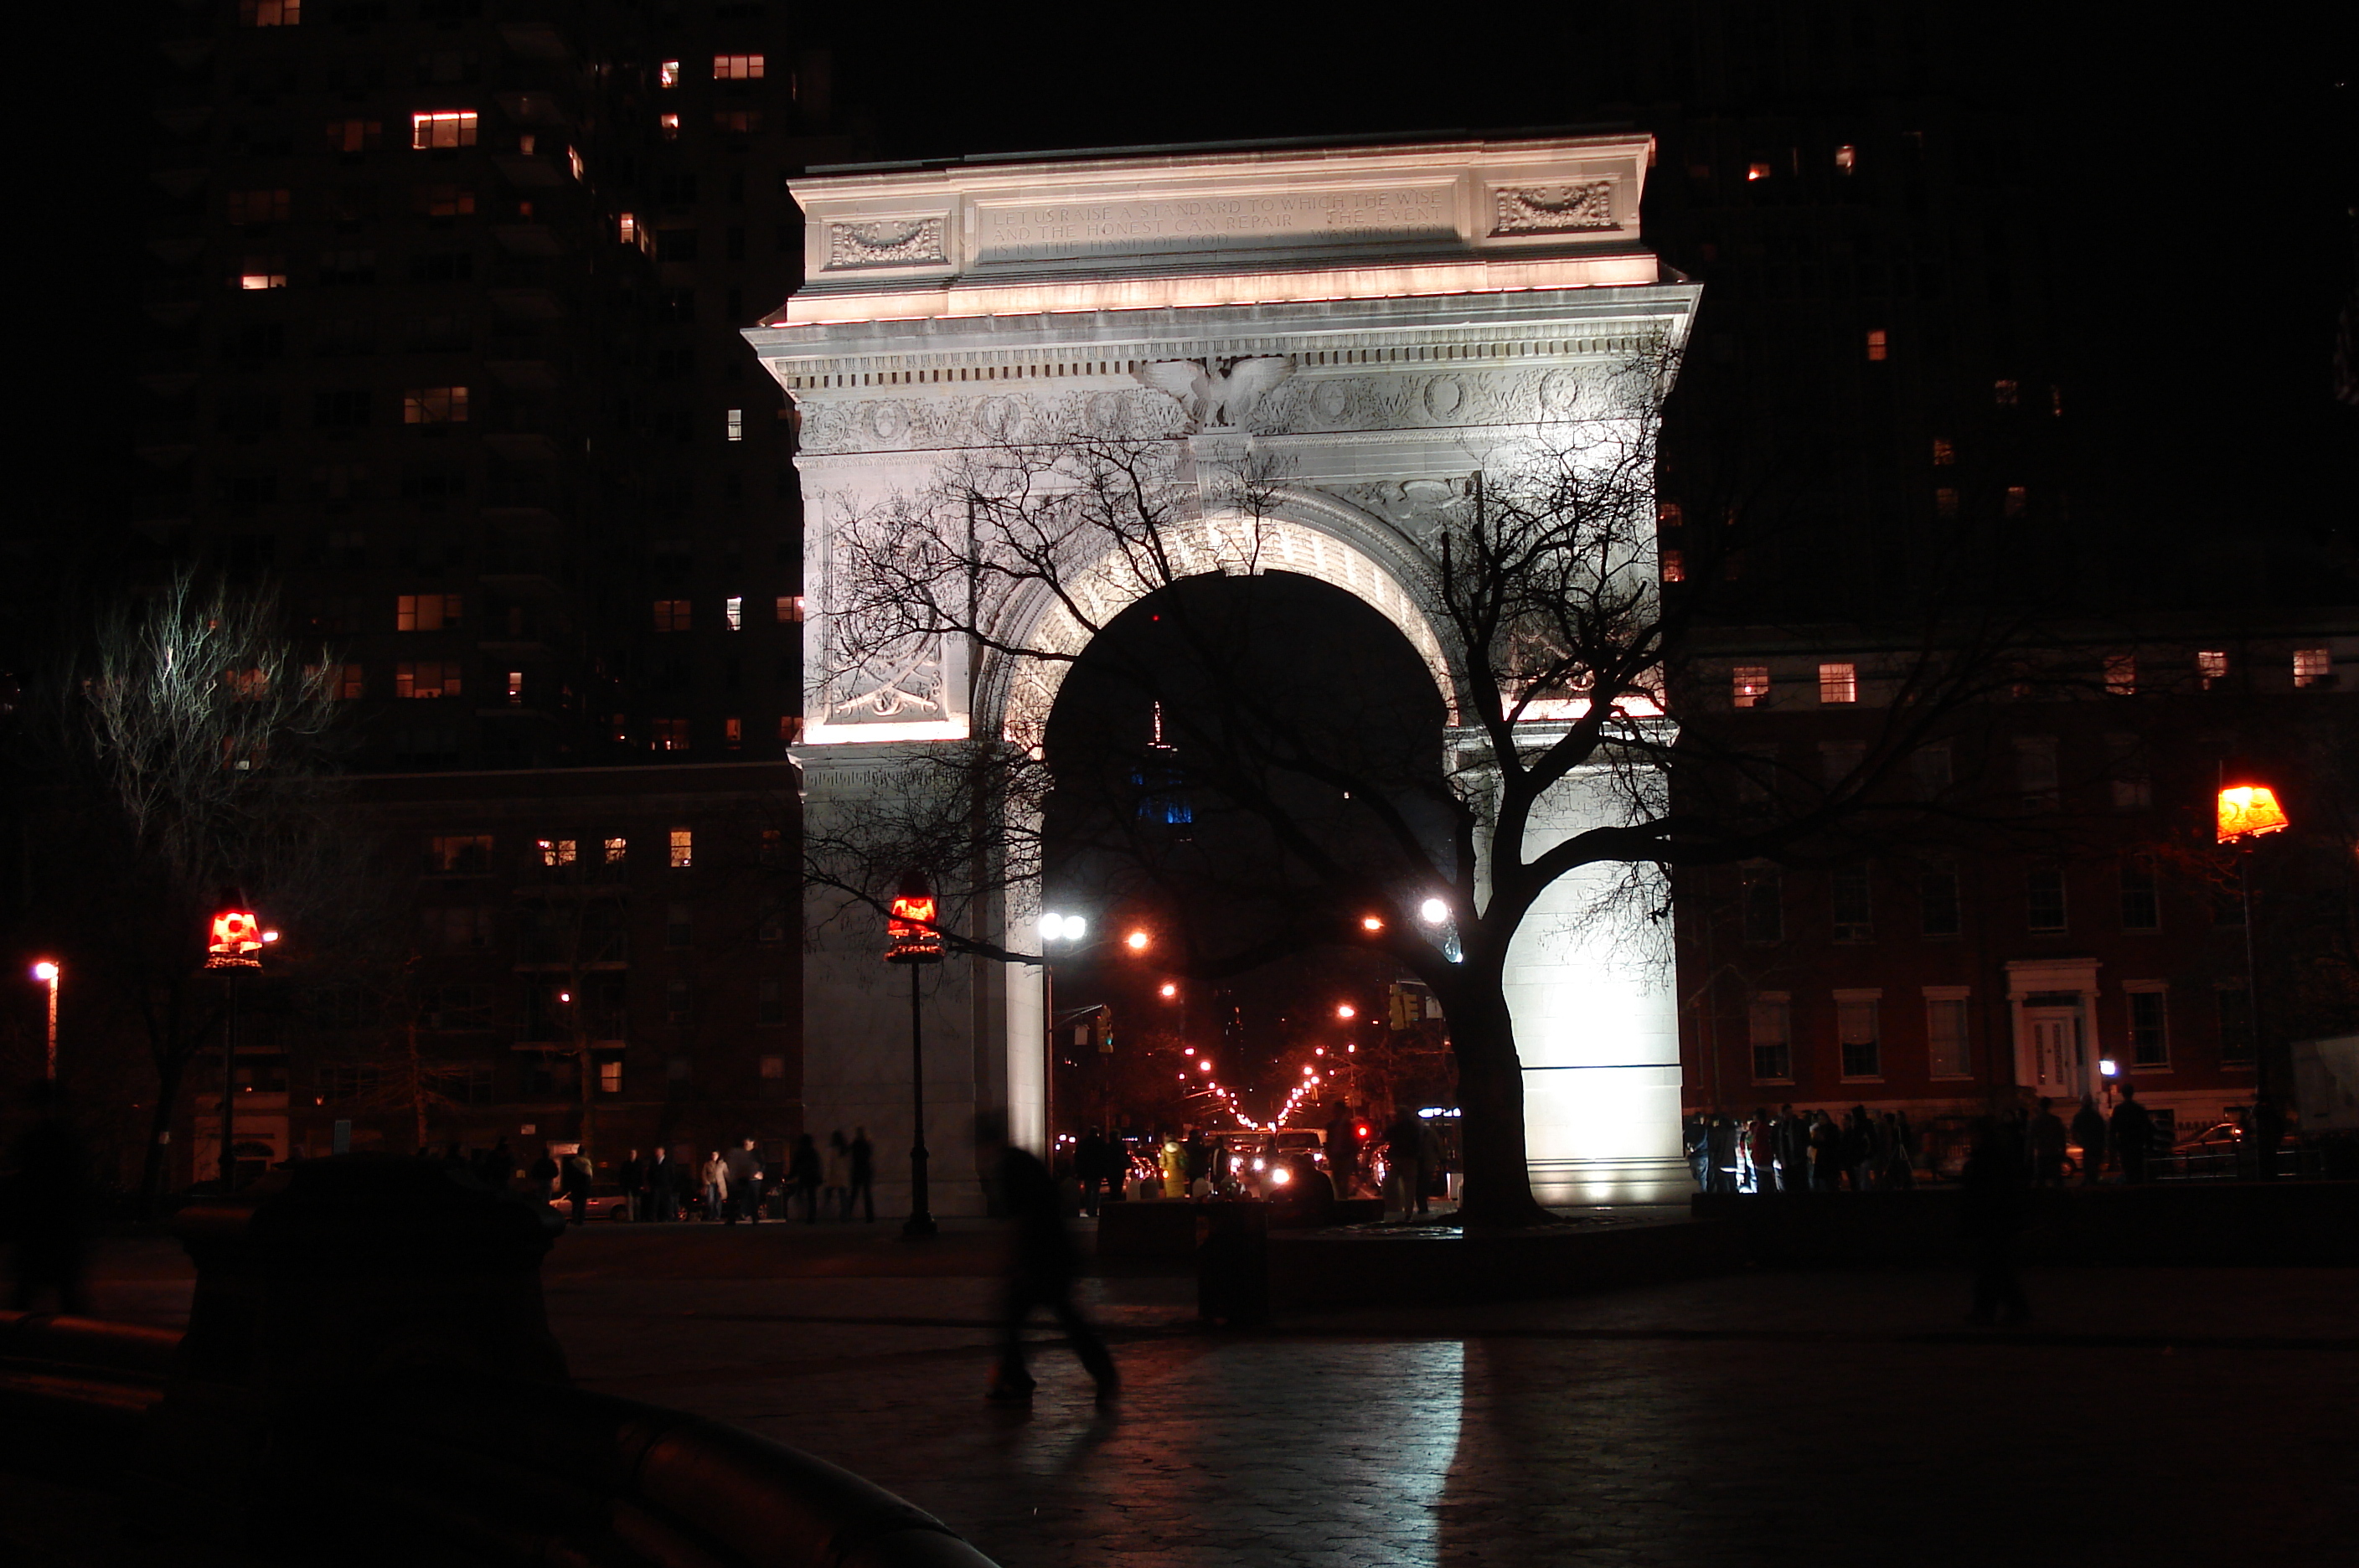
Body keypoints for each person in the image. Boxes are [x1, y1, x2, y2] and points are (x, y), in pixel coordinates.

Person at [975, 1111, 1118, 1403]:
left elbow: (1020, 1218)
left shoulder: (1009, 1167)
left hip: (1039, 1255)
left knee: (1019, 1321)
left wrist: (1012, 1262)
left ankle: (1018, 1380)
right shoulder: (1023, 1160)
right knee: (1064, 1319)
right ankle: (1101, 1373)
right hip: (1054, 1251)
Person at [7, 1081, 93, 1315]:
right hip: (60, 1230)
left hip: (40, 1229)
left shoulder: (36, 1140)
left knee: (26, 1294)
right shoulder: (67, 1138)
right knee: (68, 1295)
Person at [1960, 1115, 2031, 1325]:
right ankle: (1990, 1310)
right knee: (1994, 1270)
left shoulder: (1987, 1161)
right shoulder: (1996, 1157)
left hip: (1993, 1222)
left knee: (1993, 1270)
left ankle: (1998, 1310)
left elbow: (1988, 1194)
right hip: (1997, 1221)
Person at [2111, 1085, 2157, 1184]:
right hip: (2137, 1144)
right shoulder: (2139, 1109)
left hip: (2124, 1144)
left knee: (2127, 1170)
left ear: (2122, 1094)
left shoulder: (2119, 1110)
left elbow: (2113, 1129)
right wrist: (2149, 1146)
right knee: (2138, 1170)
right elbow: (2148, 1128)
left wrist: (2114, 1146)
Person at [2026, 1099, 2068, 1187]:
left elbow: (2031, 1140)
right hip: (2054, 1153)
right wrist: (2063, 1152)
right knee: (2057, 1180)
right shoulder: (2055, 1121)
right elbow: (2062, 1138)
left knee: (2041, 1180)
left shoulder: (2036, 1122)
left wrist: (2029, 1155)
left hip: (2042, 1154)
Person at [723, 1138, 763, 1224]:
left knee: (734, 1199)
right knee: (752, 1199)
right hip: (746, 1177)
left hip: (738, 1177)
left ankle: (732, 1219)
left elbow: (729, 1165)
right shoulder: (747, 1153)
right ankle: (754, 1218)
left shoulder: (732, 1152)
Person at [2071, 1095, 2108, 1184]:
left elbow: (2074, 1131)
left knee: (2088, 1170)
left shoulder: (2080, 1116)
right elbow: (2103, 1132)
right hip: (2096, 1147)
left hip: (2087, 1147)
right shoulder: (2096, 1116)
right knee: (2095, 1171)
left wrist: (2080, 1142)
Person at [1073, 1129, 1108, 1217]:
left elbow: (1078, 1157)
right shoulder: (1101, 1143)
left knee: (1088, 1191)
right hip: (1097, 1170)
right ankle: (1094, 1210)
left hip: (1086, 1170)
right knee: (1096, 1191)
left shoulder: (1083, 1143)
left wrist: (1078, 1170)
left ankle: (1089, 1209)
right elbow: (1105, 1158)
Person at [789, 1132, 823, 1222]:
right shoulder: (813, 1152)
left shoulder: (799, 1152)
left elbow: (795, 1166)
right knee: (812, 1197)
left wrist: (789, 1176)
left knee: (799, 1195)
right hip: (812, 1176)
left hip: (803, 1176)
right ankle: (811, 1217)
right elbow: (817, 1165)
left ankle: (800, 1214)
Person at [822, 1131, 851, 1220]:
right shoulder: (846, 1150)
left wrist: (825, 1177)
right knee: (843, 1198)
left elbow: (828, 1165)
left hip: (833, 1177)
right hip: (843, 1177)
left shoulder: (832, 1150)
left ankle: (826, 1214)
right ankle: (844, 1216)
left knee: (827, 1197)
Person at [849, 1127, 875, 1221]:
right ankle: (870, 1216)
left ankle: (847, 1215)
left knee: (854, 1194)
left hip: (857, 1170)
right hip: (866, 1170)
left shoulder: (855, 1144)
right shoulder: (867, 1144)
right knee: (867, 1194)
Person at [647, 1145, 679, 1221]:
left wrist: (671, 1185)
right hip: (656, 1185)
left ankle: (668, 1217)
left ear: (663, 1152)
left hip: (666, 1185)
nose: (657, 1153)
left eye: (659, 1151)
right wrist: (651, 1183)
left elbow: (672, 1174)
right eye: (656, 1152)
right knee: (655, 1202)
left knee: (667, 1202)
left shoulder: (669, 1162)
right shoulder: (653, 1162)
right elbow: (650, 1174)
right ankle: (655, 1217)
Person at [562, 1149, 593, 1225]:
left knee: (575, 1204)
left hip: (575, 1186)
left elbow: (568, 1176)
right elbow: (589, 1176)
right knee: (582, 1203)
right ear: (584, 1153)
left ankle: (575, 1219)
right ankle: (581, 1220)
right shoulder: (587, 1162)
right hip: (584, 1186)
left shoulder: (573, 1162)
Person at [699, 1150, 729, 1221]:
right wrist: (706, 1182)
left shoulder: (722, 1164)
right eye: (712, 1155)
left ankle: (717, 1216)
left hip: (720, 1184)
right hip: (710, 1183)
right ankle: (711, 1215)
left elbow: (727, 1174)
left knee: (718, 1200)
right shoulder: (707, 1164)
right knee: (710, 1200)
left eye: (715, 1155)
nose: (714, 1156)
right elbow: (703, 1174)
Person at [619, 1148, 647, 1220]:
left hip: (637, 1186)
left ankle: (637, 1217)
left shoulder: (639, 1164)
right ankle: (630, 1218)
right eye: (631, 1153)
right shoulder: (625, 1164)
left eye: (633, 1153)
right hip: (628, 1186)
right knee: (629, 1204)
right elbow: (622, 1176)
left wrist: (642, 1184)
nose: (632, 1155)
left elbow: (642, 1175)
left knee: (637, 1204)